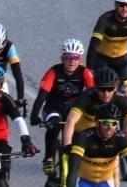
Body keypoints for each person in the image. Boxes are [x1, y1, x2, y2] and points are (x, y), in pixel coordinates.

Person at [30, 39, 93, 171]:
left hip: (73, 109)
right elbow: (42, 96)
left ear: (80, 59)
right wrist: (34, 114)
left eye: (75, 58)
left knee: (79, 131)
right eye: (68, 57)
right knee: (54, 125)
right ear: (62, 58)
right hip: (53, 107)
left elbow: (93, 95)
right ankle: (48, 158)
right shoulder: (53, 72)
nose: (72, 61)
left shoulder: (85, 72)